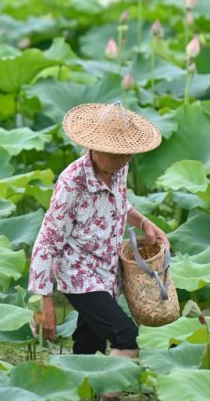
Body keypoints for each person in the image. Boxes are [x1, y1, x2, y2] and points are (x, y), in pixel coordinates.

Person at [28, 102, 170, 360]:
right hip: (79, 276)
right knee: (127, 337)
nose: (125, 159)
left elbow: (118, 203)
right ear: (95, 148)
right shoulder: (72, 183)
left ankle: (82, 396)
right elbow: (47, 241)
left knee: (88, 348)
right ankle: (110, 396)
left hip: (107, 272)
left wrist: (144, 222)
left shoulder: (118, 166)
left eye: (129, 154)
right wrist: (43, 303)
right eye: (117, 154)